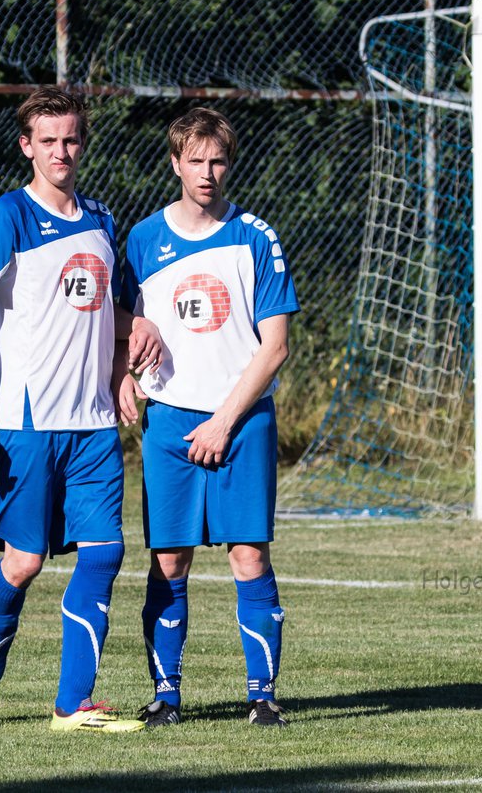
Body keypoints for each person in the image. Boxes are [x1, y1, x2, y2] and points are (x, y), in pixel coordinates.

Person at [0, 85, 159, 734]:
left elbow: (102, 311)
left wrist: (129, 352)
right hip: (25, 421)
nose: (62, 151)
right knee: (24, 562)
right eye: (48, 140)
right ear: (27, 146)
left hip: (92, 423)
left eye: (71, 139)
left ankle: (73, 704)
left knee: (104, 552)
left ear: (82, 144)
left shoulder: (101, 219)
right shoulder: (8, 217)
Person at [117, 107, 299, 727]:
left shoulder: (256, 236)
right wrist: (123, 373)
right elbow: (120, 328)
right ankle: (166, 697)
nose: (207, 172)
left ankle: (262, 696)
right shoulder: (142, 241)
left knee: (249, 555)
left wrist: (225, 418)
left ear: (230, 163)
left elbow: (275, 346)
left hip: (242, 421)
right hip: (168, 422)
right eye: (195, 160)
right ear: (175, 164)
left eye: (217, 160)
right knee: (169, 561)